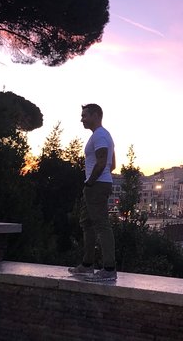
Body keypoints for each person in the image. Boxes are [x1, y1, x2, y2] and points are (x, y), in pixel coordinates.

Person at [68, 103, 117, 281]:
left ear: (96, 115)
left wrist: (90, 182)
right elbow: (113, 164)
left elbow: (103, 162)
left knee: (102, 225)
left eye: (84, 115)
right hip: (97, 184)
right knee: (87, 223)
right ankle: (87, 265)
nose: (81, 119)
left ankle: (109, 269)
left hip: (96, 184)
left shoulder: (100, 136)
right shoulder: (102, 136)